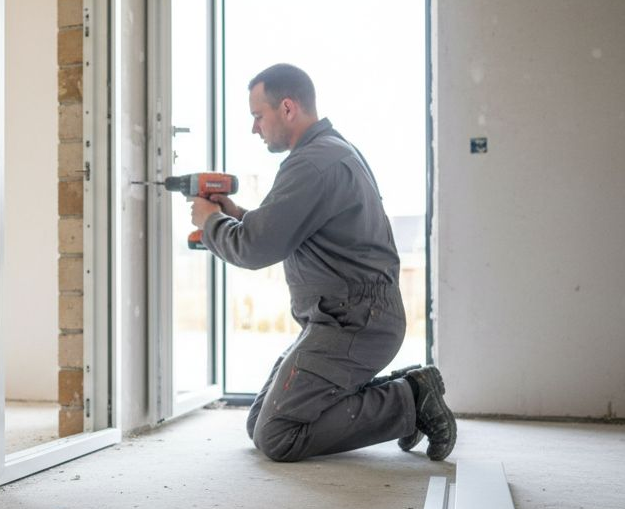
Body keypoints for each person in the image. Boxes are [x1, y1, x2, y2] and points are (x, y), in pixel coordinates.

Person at [190, 63, 457, 462]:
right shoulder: (329, 151)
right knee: (259, 423)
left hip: (356, 323)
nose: (254, 128)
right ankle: (406, 392)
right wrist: (236, 214)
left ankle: (411, 400)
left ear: (287, 108)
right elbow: (283, 229)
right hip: (344, 316)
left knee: (278, 435)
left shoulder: (313, 163)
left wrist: (209, 221)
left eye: (258, 116)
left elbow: (254, 249)